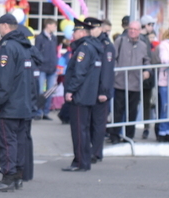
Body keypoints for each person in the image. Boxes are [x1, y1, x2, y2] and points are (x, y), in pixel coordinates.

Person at [0, 13, 35, 191]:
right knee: (19, 141)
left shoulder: (7, 47)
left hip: (9, 105)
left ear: (5, 26)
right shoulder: (24, 46)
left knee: (7, 142)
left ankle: (8, 176)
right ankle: (17, 176)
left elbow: (4, 79)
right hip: (23, 103)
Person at [62, 18, 101, 172]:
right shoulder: (90, 46)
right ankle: (83, 161)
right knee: (83, 129)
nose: (73, 34)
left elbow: (79, 72)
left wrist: (70, 90)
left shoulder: (84, 48)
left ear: (82, 32)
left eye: (75, 31)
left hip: (80, 95)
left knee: (78, 130)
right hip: (87, 94)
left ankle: (79, 162)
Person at [109, 21, 151, 144]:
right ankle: (115, 135)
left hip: (136, 84)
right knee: (118, 111)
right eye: (130, 28)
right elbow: (113, 58)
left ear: (139, 31)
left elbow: (147, 60)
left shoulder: (143, 45)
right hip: (120, 83)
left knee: (132, 111)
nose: (132, 31)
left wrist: (147, 71)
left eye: (135, 29)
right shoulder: (120, 41)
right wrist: (116, 72)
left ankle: (129, 136)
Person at [90, 17, 113, 163]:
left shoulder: (106, 45)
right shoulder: (92, 43)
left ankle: (96, 152)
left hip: (100, 91)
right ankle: (92, 150)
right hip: (91, 90)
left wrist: (104, 91)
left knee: (99, 123)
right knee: (91, 123)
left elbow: (107, 71)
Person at [34, 18, 58, 120]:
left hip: (52, 68)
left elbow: (55, 52)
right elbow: (36, 52)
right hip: (42, 68)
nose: (55, 27)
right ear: (48, 25)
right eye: (54, 25)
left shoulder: (54, 38)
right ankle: (38, 111)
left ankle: (46, 112)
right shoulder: (40, 37)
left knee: (50, 91)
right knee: (39, 90)